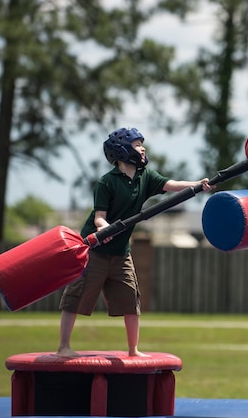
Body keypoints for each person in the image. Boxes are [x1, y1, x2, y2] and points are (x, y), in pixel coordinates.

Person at [56, 127, 213, 357]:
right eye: (137, 144)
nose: (143, 148)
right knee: (75, 297)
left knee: (131, 299)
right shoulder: (106, 182)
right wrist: (105, 229)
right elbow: (99, 218)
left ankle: (133, 350)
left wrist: (199, 184)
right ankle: (63, 347)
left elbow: (172, 184)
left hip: (121, 252)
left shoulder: (145, 177)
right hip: (95, 250)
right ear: (121, 151)